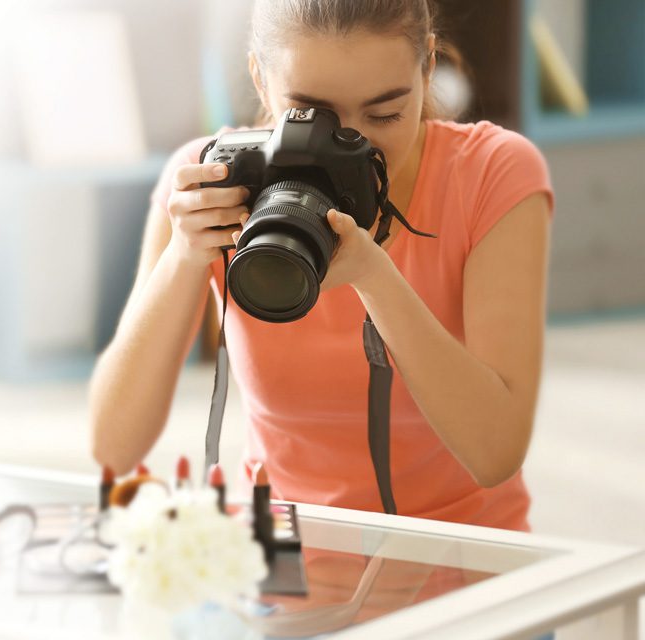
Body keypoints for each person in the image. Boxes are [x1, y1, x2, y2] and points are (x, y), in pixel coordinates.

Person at [88, 0, 554, 532]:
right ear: (260, 78)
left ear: (427, 67)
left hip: (465, 558)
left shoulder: (492, 175)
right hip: (284, 562)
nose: (349, 147)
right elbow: (112, 447)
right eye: (313, 116)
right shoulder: (210, 180)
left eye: (384, 114)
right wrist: (183, 257)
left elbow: (495, 454)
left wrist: (376, 277)